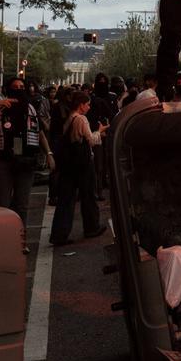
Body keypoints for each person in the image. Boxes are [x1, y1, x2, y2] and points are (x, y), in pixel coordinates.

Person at [0, 76, 55, 226]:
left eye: (22, 87)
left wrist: (49, 154)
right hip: (3, 160)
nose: (20, 90)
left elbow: (38, 132)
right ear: (8, 90)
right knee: (3, 203)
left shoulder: (30, 108)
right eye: (16, 87)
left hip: (26, 160)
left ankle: (21, 239)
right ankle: (3, 237)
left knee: (22, 204)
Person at [49, 91, 108, 246]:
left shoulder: (70, 118)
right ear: (81, 104)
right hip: (82, 163)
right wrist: (100, 132)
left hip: (70, 164)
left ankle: (59, 234)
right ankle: (91, 227)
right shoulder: (81, 119)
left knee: (66, 200)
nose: (89, 107)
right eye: (87, 104)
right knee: (88, 195)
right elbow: (91, 140)